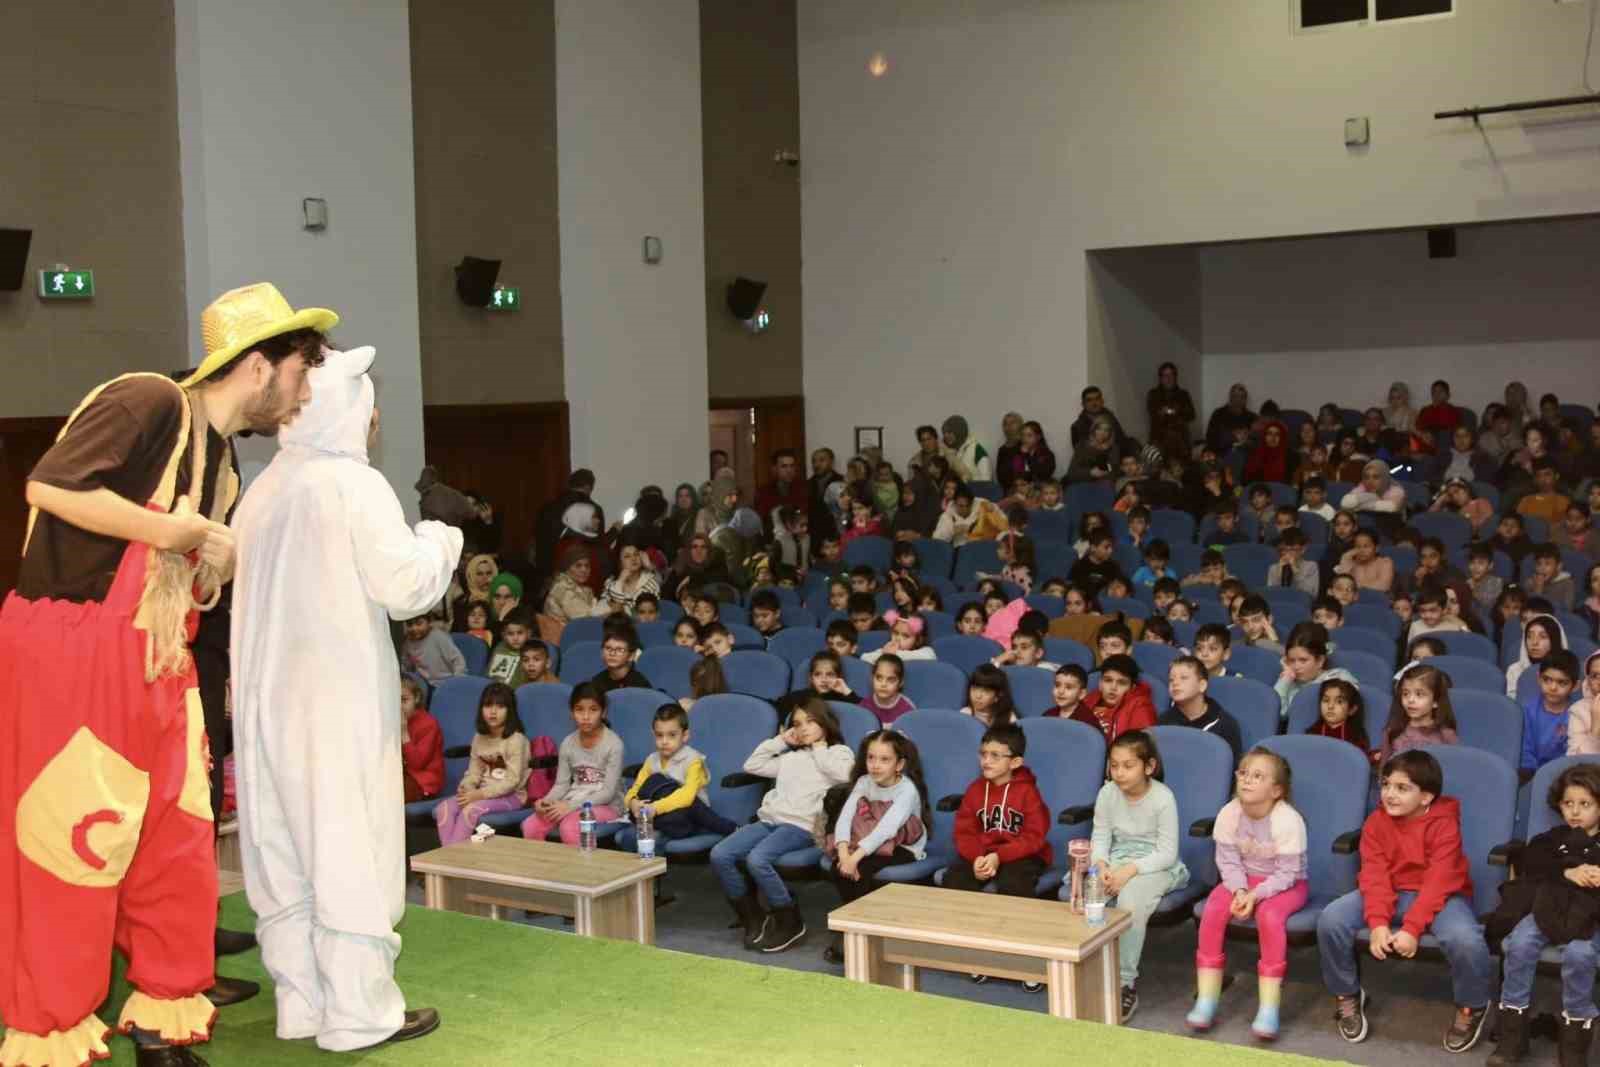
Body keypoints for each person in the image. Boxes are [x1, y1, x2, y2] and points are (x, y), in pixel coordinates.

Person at [232, 342, 461, 1051]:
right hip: (333, 701)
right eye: (367, 402)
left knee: (283, 850)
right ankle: (360, 1012)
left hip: (267, 703)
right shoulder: (353, 487)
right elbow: (408, 589)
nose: (374, 417)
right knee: (347, 845)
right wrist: (441, 533)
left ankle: (302, 1003)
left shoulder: (262, 491)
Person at [1316, 750, 1493, 1052]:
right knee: (1331, 920)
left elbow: (1439, 881)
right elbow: (1374, 876)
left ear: (1426, 797)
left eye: (1402, 788)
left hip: (1440, 895)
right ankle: (1347, 993)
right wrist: (1378, 923)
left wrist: (1411, 929)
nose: (1389, 794)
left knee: (1465, 939)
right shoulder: (1375, 823)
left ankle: (1472, 1005)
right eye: (1386, 785)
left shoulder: (1444, 824)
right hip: (1391, 892)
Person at [712, 700, 853, 953]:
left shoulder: (839, 752)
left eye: (810, 721)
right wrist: (781, 742)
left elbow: (845, 776)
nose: (804, 728)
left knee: (757, 859)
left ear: (825, 722)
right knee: (720, 854)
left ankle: (790, 919)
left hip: (801, 825)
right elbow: (752, 766)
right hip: (771, 820)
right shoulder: (791, 758)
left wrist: (820, 748)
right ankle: (753, 916)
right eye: (798, 724)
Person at [1187, 747, 1308, 1040]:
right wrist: (1241, 890)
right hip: (1241, 881)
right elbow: (1228, 862)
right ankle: (1207, 999)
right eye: (1243, 773)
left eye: (1258, 776)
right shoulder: (1229, 813)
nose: (1247, 780)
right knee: (1213, 909)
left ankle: (1268, 1008)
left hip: (1286, 885)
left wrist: (1256, 895)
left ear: (1276, 790)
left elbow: (1287, 873)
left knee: (1269, 916)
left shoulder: (1288, 820)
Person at [1488, 763, 1600, 1067]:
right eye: (1568, 804)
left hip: (1591, 915)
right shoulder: (1553, 838)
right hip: (1548, 905)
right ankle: (1513, 1037)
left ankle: (1574, 1045)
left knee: (1580, 955)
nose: (1575, 812)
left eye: (1585, 804)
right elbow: (1531, 862)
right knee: (1519, 944)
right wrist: (1568, 871)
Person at [1084, 730, 1188, 1022]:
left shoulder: (1163, 797)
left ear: (1149, 767)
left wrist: (1129, 871)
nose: (1119, 773)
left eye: (1128, 765)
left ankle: (1123, 982)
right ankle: (1088, 973)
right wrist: (1102, 865)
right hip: (1118, 859)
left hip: (1157, 865)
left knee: (1130, 898)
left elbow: (1167, 852)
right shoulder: (1107, 793)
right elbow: (1101, 836)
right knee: (1089, 891)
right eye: (1114, 765)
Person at [823, 731, 931, 962]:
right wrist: (843, 853)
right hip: (865, 838)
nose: (875, 765)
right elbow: (845, 818)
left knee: (860, 872)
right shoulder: (863, 782)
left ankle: (858, 934)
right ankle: (853, 926)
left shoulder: (907, 790)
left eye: (884, 759)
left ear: (899, 764)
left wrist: (854, 859)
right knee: (837, 868)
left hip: (902, 845)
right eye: (871, 758)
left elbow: (887, 830)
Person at [946, 724, 1052, 912]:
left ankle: (1015, 935)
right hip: (983, 852)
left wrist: (1000, 856)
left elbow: (1034, 838)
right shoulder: (975, 789)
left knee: (1014, 881)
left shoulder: (1028, 792)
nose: (986, 760)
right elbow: (964, 832)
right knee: (955, 878)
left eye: (995, 755)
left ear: (1015, 762)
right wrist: (977, 857)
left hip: (1022, 854)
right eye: (983, 753)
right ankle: (964, 933)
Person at [615, 704, 737, 853]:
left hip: (690, 815)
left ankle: (650, 875)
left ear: (685, 735)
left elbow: (687, 796)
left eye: (672, 735)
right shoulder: (651, 760)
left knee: (651, 837)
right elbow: (636, 787)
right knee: (629, 835)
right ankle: (637, 874)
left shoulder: (693, 760)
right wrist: (632, 802)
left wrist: (655, 808)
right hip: (659, 815)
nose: (664, 741)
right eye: (659, 735)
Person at [520, 683, 624, 845]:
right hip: (574, 800)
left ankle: (585, 869)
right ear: (572, 712)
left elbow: (608, 793)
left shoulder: (614, 744)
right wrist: (546, 801)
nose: (586, 716)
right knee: (531, 825)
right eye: (579, 709)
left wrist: (571, 806)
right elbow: (561, 785)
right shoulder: (568, 743)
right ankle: (542, 869)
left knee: (570, 826)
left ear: (604, 712)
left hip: (607, 806)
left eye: (593, 710)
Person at [432, 683, 531, 844]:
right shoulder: (479, 737)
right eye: (488, 705)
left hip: (512, 796)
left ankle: (452, 862)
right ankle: (451, 861)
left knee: (469, 811)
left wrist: (477, 795)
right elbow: (474, 772)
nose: (493, 712)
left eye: (500, 706)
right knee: (443, 809)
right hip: (480, 793)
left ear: (509, 710)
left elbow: (512, 782)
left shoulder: (516, 740)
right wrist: (467, 787)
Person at [1159, 656, 1243, 760]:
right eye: (1171, 680)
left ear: (1202, 685)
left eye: (1184, 678)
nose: (1175, 683)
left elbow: (1231, 769)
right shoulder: (1162, 722)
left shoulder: (1225, 724)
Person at [1375, 664, 1460, 765]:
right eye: (1405, 693)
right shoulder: (1392, 731)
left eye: (1419, 694)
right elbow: (1384, 771)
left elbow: (1454, 770)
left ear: (1435, 701)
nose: (1410, 700)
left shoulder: (1446, 734)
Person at [1520, 651, 1582, 780]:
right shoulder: (1528, 710)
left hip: (1566, 777)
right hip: (1531, 776)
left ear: (1575, 686)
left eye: (1562, 682)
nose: (1553, 687)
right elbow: (1525, 752)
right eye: (1547, 679)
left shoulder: (1578, 714)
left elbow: (1573, 756)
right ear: (1538, 678)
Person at [1069, 654, 1157, 743]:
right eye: (1108, 680)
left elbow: (1140, 747)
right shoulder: (1089, 700)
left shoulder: (1140, 706)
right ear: (1100, 683)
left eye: (1121, 683)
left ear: (1132, 687)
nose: (1113, 687)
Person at [1507, 613, 1569, 700]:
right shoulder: (1514, 670)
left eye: (1543, 637)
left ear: (1555, 641)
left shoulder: (1568, 671)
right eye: (1529, 637)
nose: (1534, 642)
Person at [1147, 362, 1196, 463]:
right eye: (1165, 375)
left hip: (1181, 441)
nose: (1169, 378)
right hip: (1160, 440)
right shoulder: (1153, 394)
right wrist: (1173, 412)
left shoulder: (1183, 395)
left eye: (1171, 375)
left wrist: (1173, 411)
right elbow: (1155, 414)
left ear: (1175, 377)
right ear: (1160, 378)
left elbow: (1191, 415)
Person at [1309, 678, 1371, 754]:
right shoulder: (1312, 734)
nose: (1330, 706)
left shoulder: (1356, 738)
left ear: (1352, 710)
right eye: (1326, 700)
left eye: (1339, 702)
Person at [401, 613, 465, 682]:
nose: (414, 628)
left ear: (429, 622)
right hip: (424, 681)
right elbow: (406, 664)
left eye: (419, 624)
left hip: (445, 681)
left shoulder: (438, 637)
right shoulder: (408, 642)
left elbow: (458, 661)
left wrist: (458, 682)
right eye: (409, 624)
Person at [754, 448, 808, 529]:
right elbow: (761, 520)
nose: (789, 470)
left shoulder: (804, 489)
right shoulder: (764, 492)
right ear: (774, 469)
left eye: (792, 466)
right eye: (784, 466)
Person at [590, 631, 652, 696]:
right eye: (608, 648)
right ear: (602, 653)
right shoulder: (597, 682)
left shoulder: (639, 684)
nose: (612, 653)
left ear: (631, 656)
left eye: (619, 650)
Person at [861, 654, 917, 726]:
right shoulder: (864, 706)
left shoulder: (908, 709)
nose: (883, 684)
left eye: (891, 680)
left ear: (901, 683)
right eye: (879, 678)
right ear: (872, 678)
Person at [486, 607, 535, 686]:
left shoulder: (532, 651)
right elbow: (490, 675)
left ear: (529, 633)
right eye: (510, 634)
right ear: (503, 635)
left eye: (520, 633)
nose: (515, 638)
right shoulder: (500, 647)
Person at [1335, 529, 1395, 593]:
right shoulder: (1350, 562)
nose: (1361, 550)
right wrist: (1345, 558)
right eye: (1358, 546)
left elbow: (1383, 586)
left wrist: (1353, 585)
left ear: (1377, 548)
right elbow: (1341, 586)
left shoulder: (1385, 562)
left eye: (1366, 546)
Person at [1206, 383, 1256, 454]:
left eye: (1242, 397)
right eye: (1235, 396)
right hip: (1221, 455)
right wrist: (1232, 436)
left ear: (1245, 399)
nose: (1238, 400)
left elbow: (1256, 441)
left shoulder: (1252, 417)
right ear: (1230, 397)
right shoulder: (1218, 414)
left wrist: (1246, 436)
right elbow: (1210, 439)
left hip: (1244, 456)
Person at [940, 415, 992, 483]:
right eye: (944, 433)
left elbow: (986, 484)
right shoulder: (948, 452)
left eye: (949, 432)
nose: (946, 436)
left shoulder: (977, 450)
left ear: (959, 431)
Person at [1272, 528, 1320, 597]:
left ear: (1303, 549)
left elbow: (1311, 594)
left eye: (1292, 549)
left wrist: (1296, 571)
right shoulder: (1274, 568)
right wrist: (1278, 574)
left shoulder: (1311, 566)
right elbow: (1272, 594)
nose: (1287, 553)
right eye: (1283, 549)